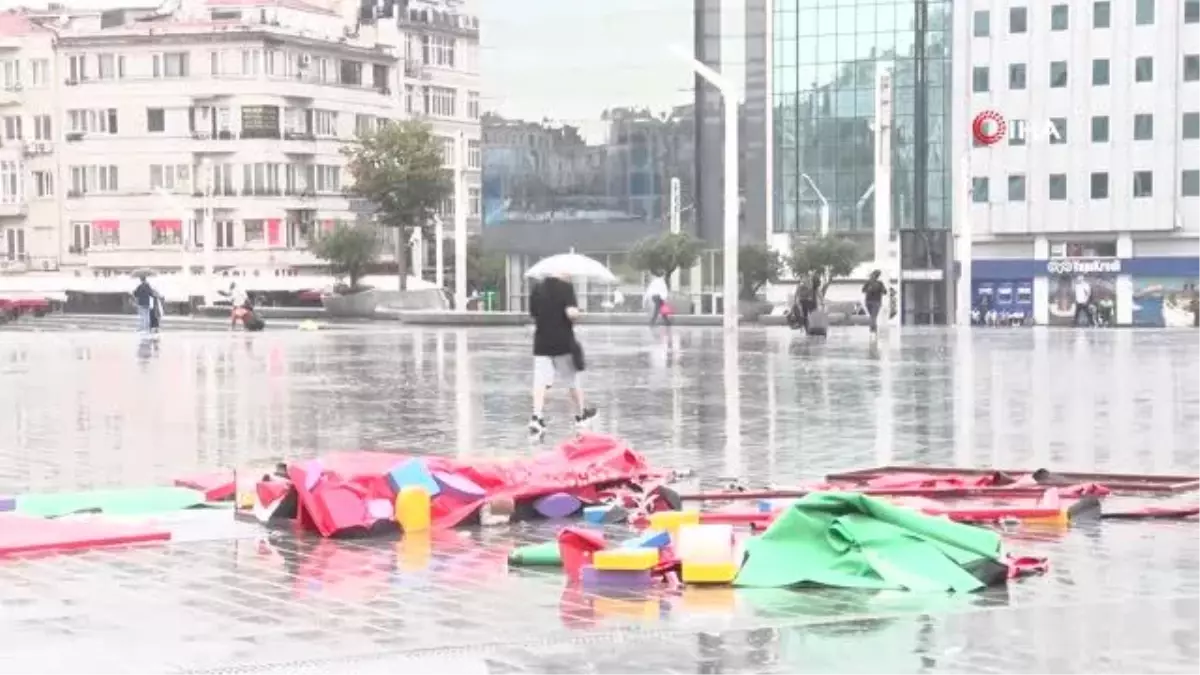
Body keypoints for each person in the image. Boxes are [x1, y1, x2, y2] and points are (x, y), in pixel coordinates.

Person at [528, 271, 596, 439]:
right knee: (572, 381)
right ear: (561, 273)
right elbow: (571, 313)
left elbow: (533, 313)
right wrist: (577, 313)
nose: (570, 275)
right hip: (562, 342)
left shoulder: (537, 288)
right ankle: (581, 415)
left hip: (541, 342)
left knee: (540, 383)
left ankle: (537, 417)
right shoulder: (566, 288)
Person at [861, 270, 887, 335]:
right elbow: (885, 292)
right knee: (873, 316)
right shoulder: (879, 283)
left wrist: (868, 290)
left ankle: (873, 329)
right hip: (875, 302)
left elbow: (863, 290)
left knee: (872, 316)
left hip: (869, 301)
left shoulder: (869, 283)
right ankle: (873, 329)